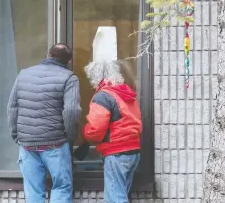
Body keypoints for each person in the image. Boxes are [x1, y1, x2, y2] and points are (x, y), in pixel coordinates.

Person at [7, 43, 81, 203]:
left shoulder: (23, 74)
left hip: (27, 145)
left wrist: (17, 136)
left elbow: (12, 108)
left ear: (48, 55)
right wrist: (69, 138)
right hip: (55, 144)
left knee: (33, 191)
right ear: (68, 62)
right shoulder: (69, 77)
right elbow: (72, 112)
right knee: (61, 187)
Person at [81, 60, 142, 203]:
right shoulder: (124, 94)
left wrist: (84, 132)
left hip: (116, 153)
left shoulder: (103, 96)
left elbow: (95, 129)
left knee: (115, 198)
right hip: (133, 150)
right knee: (118, 196)